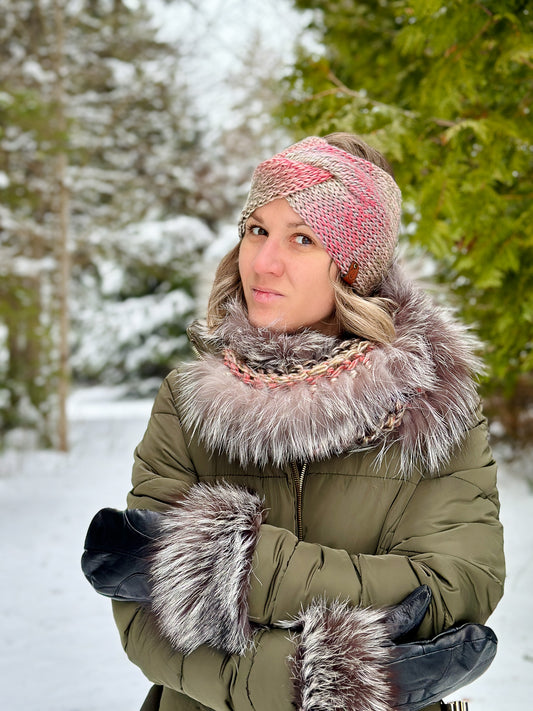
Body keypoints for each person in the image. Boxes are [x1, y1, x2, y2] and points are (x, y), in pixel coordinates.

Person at [84, 134, 505, 711]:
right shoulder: (188, 402)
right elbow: (145, 621)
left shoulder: (432, 408)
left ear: (354, 266)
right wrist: (326, 677)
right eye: (256, 230)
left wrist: (223, 560)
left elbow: (449, 592)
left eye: (302, 238)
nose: (264, 261)